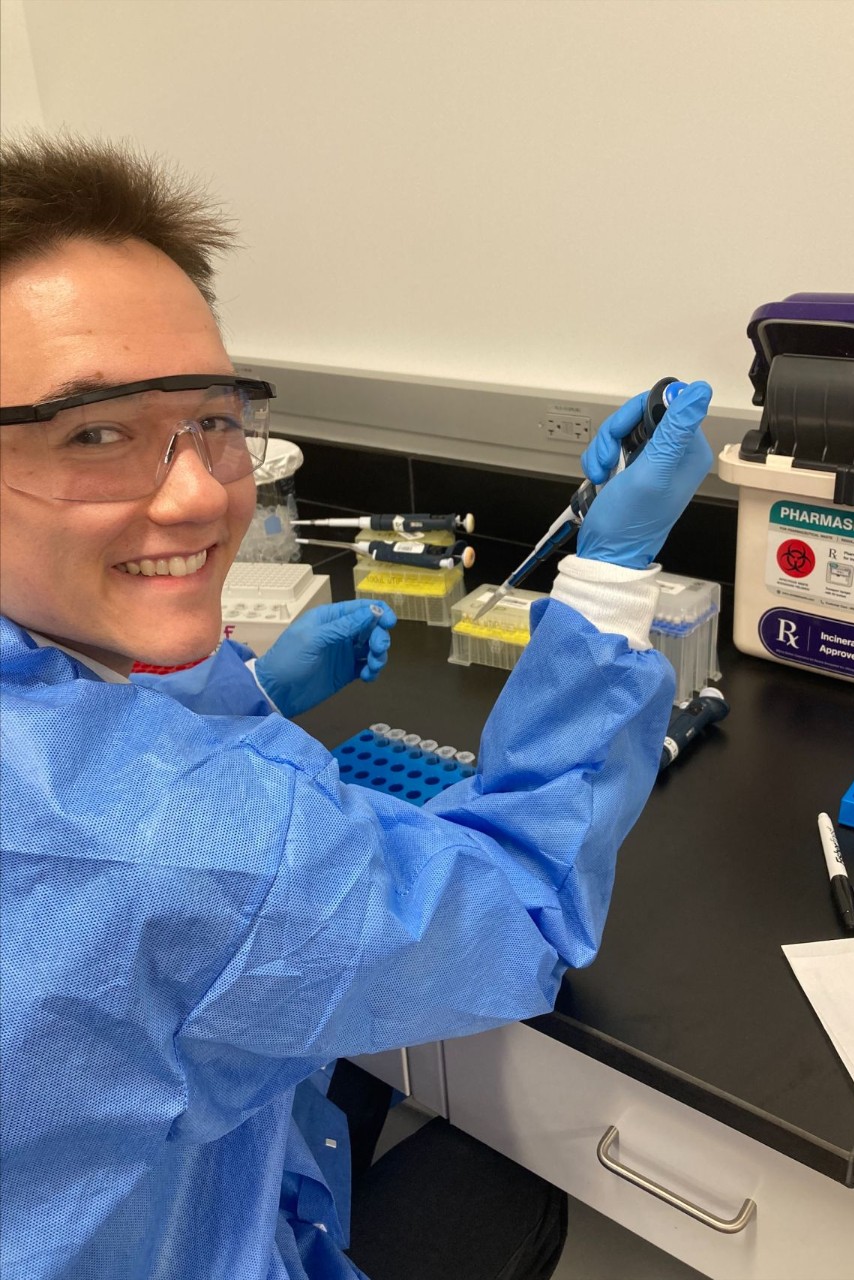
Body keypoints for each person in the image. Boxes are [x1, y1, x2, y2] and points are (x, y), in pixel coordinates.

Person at [0, 133, 713, 1280]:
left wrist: (239, 698)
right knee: (509, 1174)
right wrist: (613, 573)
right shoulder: (197, 844)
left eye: (215, 416)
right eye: (95, 431)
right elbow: (521, 905)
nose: (197, 494)